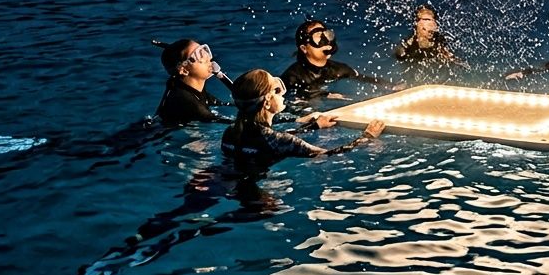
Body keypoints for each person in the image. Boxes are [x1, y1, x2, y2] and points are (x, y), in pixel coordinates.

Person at [221, 68, 385, 176]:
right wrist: (367, 136)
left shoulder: (231, 131)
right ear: (267, 102)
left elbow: (270, 141)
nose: (282, 94)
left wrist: (315, 125)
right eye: (277, 91)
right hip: (260, 198)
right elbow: (328, 155)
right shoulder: (278, 140)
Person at [281, 19, 390, 101]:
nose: (325, 41)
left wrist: (391, 86)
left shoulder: (339, 69)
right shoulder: (292, 78)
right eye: (318, 38)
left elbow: (365, 79)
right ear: (304, 48)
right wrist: (325, 95)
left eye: (326, 35)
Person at [154, 39, 231, 126]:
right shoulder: (183, 100)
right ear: (184, 70)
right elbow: (215, 119)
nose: (206, 56)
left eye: (203, 50)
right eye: (197, 55)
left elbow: (218, 104)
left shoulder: (189, 88)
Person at [393, 5, 460, 65]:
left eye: (434, 20)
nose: (432, 24)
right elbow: (398, 55)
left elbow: (453, 59)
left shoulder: (439, 42)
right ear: (416, 23)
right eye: (427, 20)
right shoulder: (408, 44)